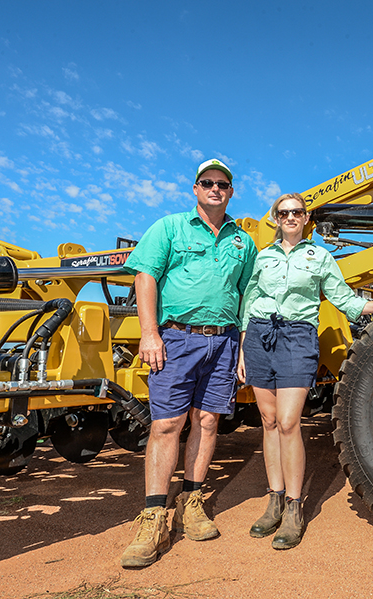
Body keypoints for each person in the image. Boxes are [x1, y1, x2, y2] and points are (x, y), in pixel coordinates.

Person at [238, 192, 373, 550]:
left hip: (297, 338)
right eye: (283, 212)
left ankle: (293, 507)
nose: (290, 217)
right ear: (275, 218)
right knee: (268, 423)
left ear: (305, 219)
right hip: (258, 335)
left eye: (296, 212)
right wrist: (243, 345)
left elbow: (343, 299)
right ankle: (273, 499)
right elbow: (250, 300)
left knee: (288, 422)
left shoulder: (319, 256)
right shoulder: (264, 257)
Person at [119, 158, 256, 568]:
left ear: (231, 192)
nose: (215, 188)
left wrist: (244, 348)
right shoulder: (169, 227)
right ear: (195, 189)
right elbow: (145, 277)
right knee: (166, 424)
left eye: (223, 184)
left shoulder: (242, 242)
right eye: (207, 182)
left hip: (225, 341)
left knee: (209, 421)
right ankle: (154, 516)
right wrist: (149, 333)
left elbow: (247, 294)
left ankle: (191, 501)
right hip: (176, 338)